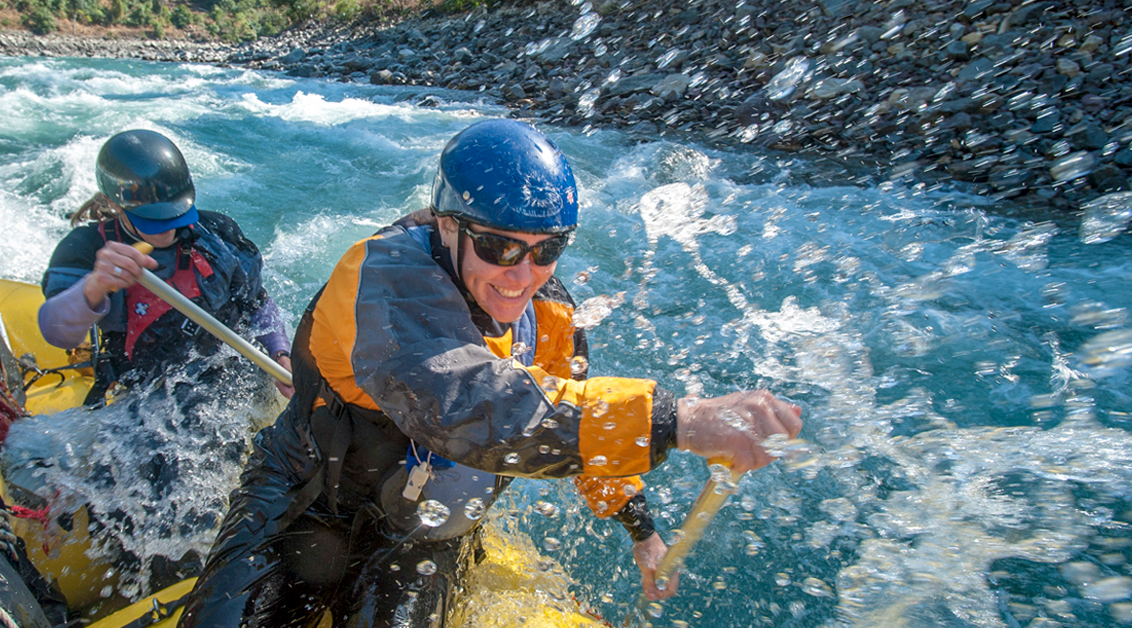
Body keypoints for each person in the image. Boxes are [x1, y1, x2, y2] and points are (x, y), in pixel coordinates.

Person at [178, 119, 802, 628]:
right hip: (308, 494)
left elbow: (567, 410)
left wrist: (641, 530)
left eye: (547, 249)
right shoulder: (379, 276)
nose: (521, 275)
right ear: (447, 225)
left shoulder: (549, 313)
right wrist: (680, 420)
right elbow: (467, 402)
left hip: (424, 531)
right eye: (499, 246)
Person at [37, 129, 292, 403]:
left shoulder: (217, 233)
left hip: (235, 379)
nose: (167, 229)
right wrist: (95, 286)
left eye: (175, 215)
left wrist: (280, 354)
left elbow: (257, 304)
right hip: (152, 400)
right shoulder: (86, 249)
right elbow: (56, 334)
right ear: (114, 204)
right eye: (153, 220)